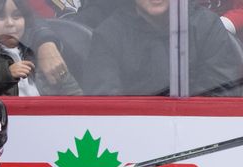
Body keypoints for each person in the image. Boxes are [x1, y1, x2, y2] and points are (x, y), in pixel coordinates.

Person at [83, 0, 243, 96]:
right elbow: (104, 106)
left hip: (198, 137)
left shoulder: (207, 27)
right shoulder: (109, 34)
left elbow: (223, 96)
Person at [0, 0, 82, 97]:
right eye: (0, 17)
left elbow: (74, 93)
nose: (10, 23)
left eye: (17, 16)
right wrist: (5, 75)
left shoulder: (38, 48)